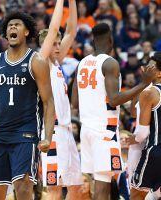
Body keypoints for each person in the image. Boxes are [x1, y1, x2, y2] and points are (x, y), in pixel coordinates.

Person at [0, 11, 55, 200]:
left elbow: (48, 102)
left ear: (26, 32)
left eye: (17, 25)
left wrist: (47, 137)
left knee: (23, 188)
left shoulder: (37, 61)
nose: (12, 28)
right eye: (9, 26)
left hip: (25, 133)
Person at [71, 23, 155, 200]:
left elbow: (75, 103)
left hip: (86, 130)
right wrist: (143, 83)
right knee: (102, 188)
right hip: (104, 131)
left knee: (99, 182)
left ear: (93, 40)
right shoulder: (110, 63)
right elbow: (115, 99)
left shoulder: (82, 63)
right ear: (111, 39)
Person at [38, 0, 83, 199]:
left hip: (66, 131)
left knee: (75, 186)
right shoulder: (42, 63)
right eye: (54, 44)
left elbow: (71, 31)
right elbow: (55, 27)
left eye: (59, 43)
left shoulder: (56, 64)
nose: (58, 47)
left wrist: (71, 2)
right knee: (54, 188)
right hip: (52, 132)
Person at [125, 52, 161, 200]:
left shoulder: (150, 93)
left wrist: (132, 139)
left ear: (159, 73)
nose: (146, 69)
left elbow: (142, 134)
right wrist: (143, 83)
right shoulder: (146, 90)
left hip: (154, 149)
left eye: (150, 67)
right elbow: (134, 112)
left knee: (137, 194)